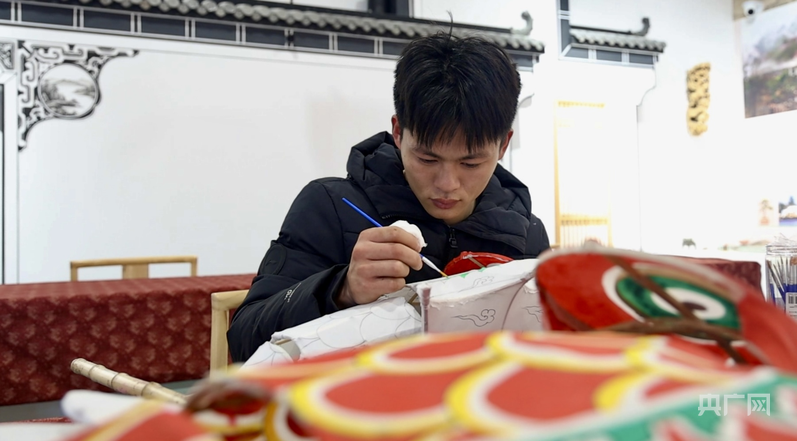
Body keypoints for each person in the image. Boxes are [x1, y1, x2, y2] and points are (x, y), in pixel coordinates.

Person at [228, 32, 550, 362]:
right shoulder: (330, 207)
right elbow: (244, 340)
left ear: (503, 144)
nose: (447, 184)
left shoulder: (527, 232)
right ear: (398, 132)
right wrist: (341, 289)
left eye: (471, 163)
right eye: (427, 159)